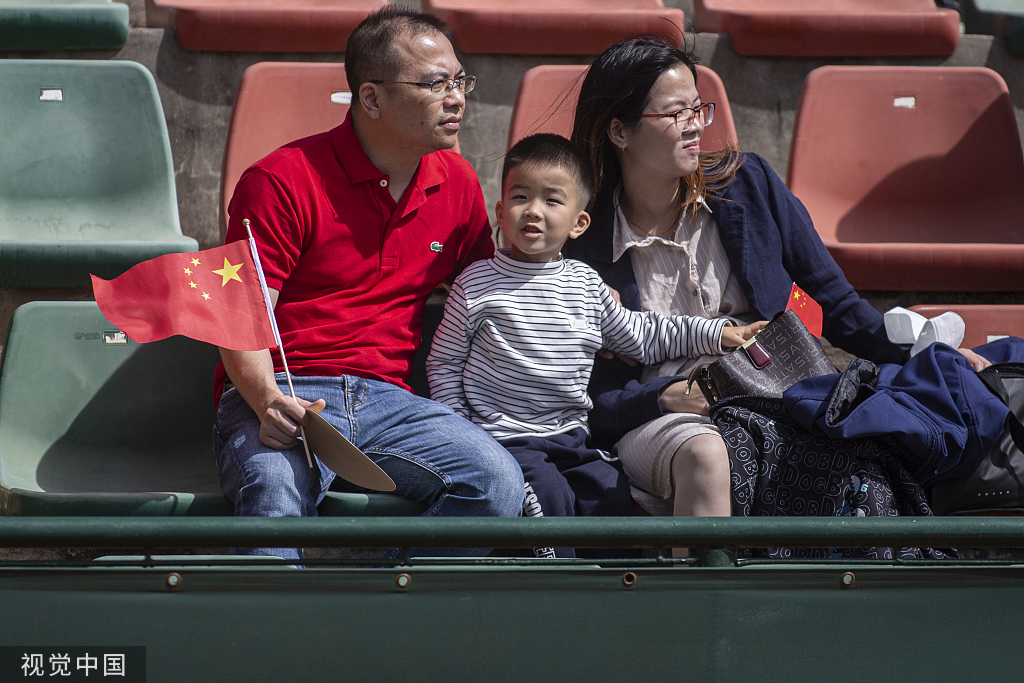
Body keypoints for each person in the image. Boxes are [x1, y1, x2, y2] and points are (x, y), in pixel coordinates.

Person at [564, 35, 993, 519]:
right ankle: (709, 574)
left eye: (697, 108)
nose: (695, 125)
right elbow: (577, 390)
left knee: (865, 458)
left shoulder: (748, 185)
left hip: (776, 389)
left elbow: (832, 301)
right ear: (619, 132)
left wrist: (920, 354)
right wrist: (662, 397)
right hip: (668, 413)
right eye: (674, 113)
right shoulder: (581, 241)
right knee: (707, 455)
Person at [213, 6, 525, 560]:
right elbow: (241, 314)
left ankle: (373, 598)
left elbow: (484, 293)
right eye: (436, 84)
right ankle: (274, 616)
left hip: (391, 399)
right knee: (275, 487)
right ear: (372, 98)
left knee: (497, 482)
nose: (457, 98)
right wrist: (267, 401)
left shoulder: (457, 181)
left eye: (460, 81)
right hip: (288, 388)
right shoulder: (281, 179)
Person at [426, 133, 765, 557]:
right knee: (548, 502)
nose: (533, 210)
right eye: (520, 197)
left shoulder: (586, 285)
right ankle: (562, 589)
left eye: (552, 200)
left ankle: (612, 591)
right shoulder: (475, 284)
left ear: (578, 223)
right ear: (499, 211)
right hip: (504, 441)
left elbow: (644, 335)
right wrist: (466, 435)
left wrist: (717, 333)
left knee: (610, 499)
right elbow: (443, 364)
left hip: (572, 438)